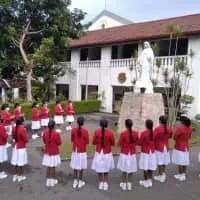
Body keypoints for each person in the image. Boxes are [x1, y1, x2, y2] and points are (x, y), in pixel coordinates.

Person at [91, 119, 115, 191]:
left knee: (99, 167)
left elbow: (94, 142)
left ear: (100, 124)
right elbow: (113, 143)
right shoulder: (110, 133)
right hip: (107, 152)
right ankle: (105, 183)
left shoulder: (97, 132)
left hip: (99, 152)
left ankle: (101, 182)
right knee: (106, 167)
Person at [117, 119, 139, 191]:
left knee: (124, 169)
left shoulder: (123, 134)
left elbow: (119, 143)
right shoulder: (135, 133)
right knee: (131, 168)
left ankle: (123, 184)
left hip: (124, 153)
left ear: (125, 125)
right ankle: (129, 183)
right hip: (132, 153)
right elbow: (137, 142)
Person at [70, 117, 89, 189]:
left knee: (75, 165)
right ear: (83, 123)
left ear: (77, 122)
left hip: (75, 150)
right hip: (82, 150)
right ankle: (80, 181)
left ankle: (75, 181)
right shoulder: (85, 131)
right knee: (81, 166)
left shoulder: (73, 130)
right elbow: (87, 141)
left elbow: (72, 140)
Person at [42, 120, 62, 187]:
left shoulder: (45, 133)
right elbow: (59, 143)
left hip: (47, 151)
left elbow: (44, 141)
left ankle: (48, 180)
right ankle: (52, 181)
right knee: (53, 167)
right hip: (54, 152)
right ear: (54, 126)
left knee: (48, 166)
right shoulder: (56, 134)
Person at [172, 116, 192, 181]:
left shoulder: (180, 128)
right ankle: (183, 174)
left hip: (179, 146)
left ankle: (181, 175)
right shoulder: (190, 129)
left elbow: (174, 137)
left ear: (182, 122)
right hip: (186, 146)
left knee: (180, 161)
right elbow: (189, 137)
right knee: (185, 161)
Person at [154, 116, 172, 183]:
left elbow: (154, 137)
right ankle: (163, 173)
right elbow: (170, 136)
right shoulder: (169, 128)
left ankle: (161, 176)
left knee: (160, 162)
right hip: (166, 146)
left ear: (160, 121)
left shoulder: (157, 129)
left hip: (159, 147)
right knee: (164, 161)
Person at [139, 119, 157, 188]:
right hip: (152, 151)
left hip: (145, 152)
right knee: (151, 166)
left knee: (145, 167)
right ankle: (149, 180)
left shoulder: (144, 133)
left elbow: (140, 143)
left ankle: (146, 181)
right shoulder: (155, 133)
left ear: (146, 125)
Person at [11, 117, 28, 183]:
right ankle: (20, 176)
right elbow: (26, 140)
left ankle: (15, 175)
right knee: (20, 162)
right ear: (22, 122)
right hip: (21, 147)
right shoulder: (22, 129)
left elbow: (13, 136)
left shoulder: (14, 128)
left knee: (15, 161)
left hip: (15, 146)